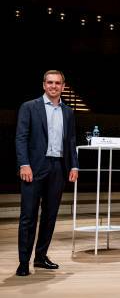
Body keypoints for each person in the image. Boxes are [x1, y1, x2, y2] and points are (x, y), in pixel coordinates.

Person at [15, 70, 79, 276]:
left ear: (63, 86)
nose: (53, 86)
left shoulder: (68, 112)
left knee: (50, 216)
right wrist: (24, 164)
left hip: (58, 168)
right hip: (33, 168)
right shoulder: (29, 107)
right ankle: (23, 262)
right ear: (44, 85)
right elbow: (21, 138)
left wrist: (74, 166)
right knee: (28, 216)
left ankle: (41, 257)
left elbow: (70, 141)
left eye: (57, 83)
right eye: (50, 82)